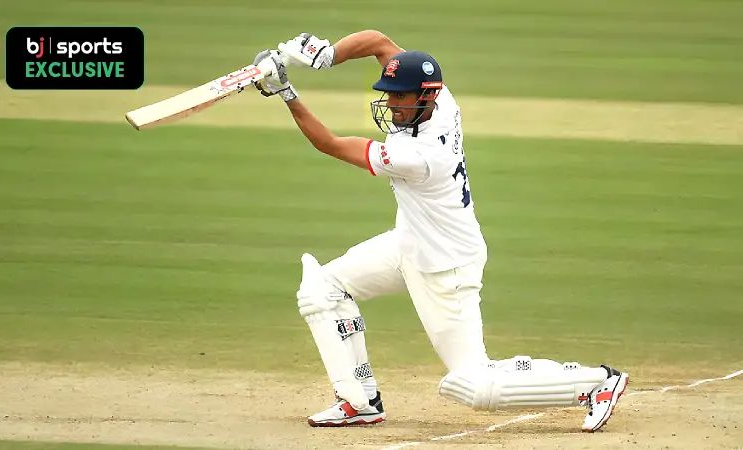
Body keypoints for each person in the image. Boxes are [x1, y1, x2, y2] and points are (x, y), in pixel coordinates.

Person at [251, 30, 629, 431]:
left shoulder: (417, 155)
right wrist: (328, 56)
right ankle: (358, 401)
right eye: (389, 93)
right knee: (322, 289)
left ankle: (595, 383)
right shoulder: (441, 99)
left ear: (425, 97)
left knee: (473, 385)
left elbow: (328, 143)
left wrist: (285, 91)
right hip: (409, 245)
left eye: (401, 97)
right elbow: (379, 42)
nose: (392, 104)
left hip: (446, 266)